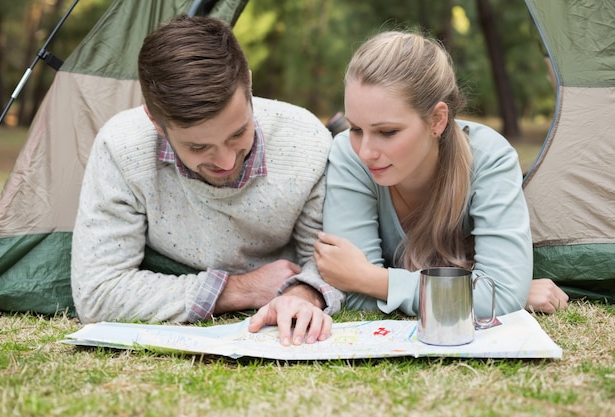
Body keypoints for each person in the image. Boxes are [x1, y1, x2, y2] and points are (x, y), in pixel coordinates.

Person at [71, 15, 343, 346]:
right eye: (198, 147)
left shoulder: (306, 142)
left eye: (238, 132)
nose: (227, 161)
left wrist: (303, 293)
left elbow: (327, 263)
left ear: (250, 86)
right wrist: (238, 289)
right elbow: (97, 292)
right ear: (156, 123)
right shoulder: (121, 148)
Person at [313, 30, 569, 318]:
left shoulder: (490, 158)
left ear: (437, 120)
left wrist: (373, 280)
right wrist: (474, 294)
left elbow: (503, 294)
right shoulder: (348, 155)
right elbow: (355, 295)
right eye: (356, 129)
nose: (366, 151)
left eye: (387, 132)